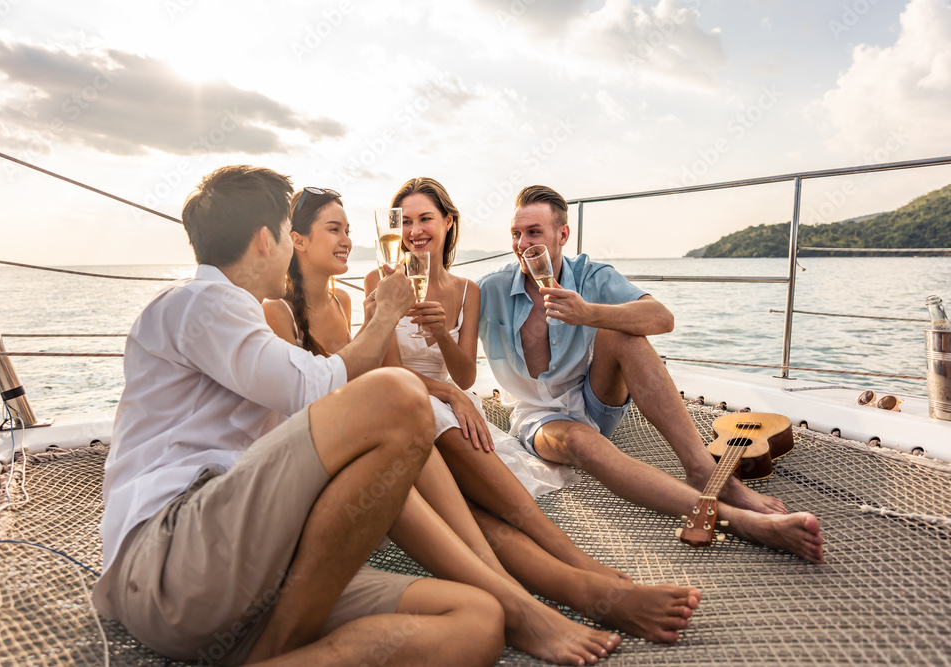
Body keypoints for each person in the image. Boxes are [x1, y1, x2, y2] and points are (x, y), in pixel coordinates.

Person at [93, 166, 505, 667]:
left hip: (248, 577)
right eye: (290, 237)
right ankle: (514, 587)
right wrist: (385, 317)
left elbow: (310, 391)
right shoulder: (199, 302)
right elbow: (316, 388)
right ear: (268, 240)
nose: (293, 248)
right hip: (173, 557)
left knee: (476, 622)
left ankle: (273, 654)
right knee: (396, 396)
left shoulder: (240, 318)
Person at [269, 181, 703, 647]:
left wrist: (441, 346)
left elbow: (456, 377)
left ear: (447, 223)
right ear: (295, 239)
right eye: (335, 229)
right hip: (380, 420)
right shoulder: (328, 298)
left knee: (471, 502)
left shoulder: (352, 299)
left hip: (401, 413)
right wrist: (436, 381)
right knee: (431, 421)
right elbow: (369, 377)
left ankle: (564, 586)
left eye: (424, 219)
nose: (411, 231)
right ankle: (565, 579)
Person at [477, 185, 825, 565]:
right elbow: (445, 317)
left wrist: (589, 313)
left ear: (562, 235)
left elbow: (662, 318)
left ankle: (703, 471)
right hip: (540, 417)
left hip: (595, 398)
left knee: (625, 334)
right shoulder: (492, 288)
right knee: (584, 446)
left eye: (534, 232)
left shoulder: (592, 276)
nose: (523, 243)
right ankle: (739, 521)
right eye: (516, 233)